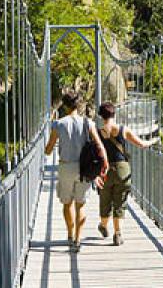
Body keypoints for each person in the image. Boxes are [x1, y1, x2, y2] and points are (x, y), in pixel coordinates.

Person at [45, 91, 108, 252]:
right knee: (81, 205)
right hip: (84, 168)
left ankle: (70, 235)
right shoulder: (88, 123)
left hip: (66, 167)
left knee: (67, 203)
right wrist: (105, 162)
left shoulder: (59, 124)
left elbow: (49, 149)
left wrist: (48, 148)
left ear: (65, 106)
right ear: (78, 104)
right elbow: (99, 145)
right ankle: (78, 239)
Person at [96, 101, 155, 246]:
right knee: (120, 202)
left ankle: (103, 225)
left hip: (105, 170)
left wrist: (96, 174)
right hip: (122, 169)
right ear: (114, 114)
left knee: (105, 201)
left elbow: (95, 154)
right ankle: (117, 234)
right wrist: (153, 141)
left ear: (100, 116)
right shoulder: (123, 129)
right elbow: (141, 144)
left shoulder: (97, 133)